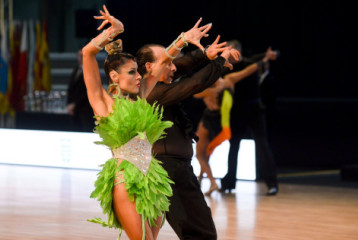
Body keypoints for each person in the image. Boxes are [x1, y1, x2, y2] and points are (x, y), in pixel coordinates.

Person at [83, 6, 212, 240]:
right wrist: (115, 30)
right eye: (132, 72)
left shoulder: (141, 97)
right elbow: (87, 54)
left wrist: (183, 39)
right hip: (125, 180)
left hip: (153, 180)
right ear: (114, 76)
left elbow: (163, 61)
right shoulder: (102, 102)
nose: (139, 76)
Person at [136, 34, 240, 239]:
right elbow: (193, 84)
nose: (173, 67)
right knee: (200, 234)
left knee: (195, 232)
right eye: (167, 63)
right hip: (169, 171)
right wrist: (218, 62)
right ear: (149, 67)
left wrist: (203, 53)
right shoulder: (152, 93)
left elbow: (179, 66)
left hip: (175, 168)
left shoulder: (151, 85)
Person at [193, 59, 269, 196]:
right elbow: (195, 94)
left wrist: (262, 60)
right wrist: (211, 92)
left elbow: (246, 72)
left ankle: (210, 182)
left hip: (217, 120)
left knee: (202, 154)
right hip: (211, 118)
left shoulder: (223, 81)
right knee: (203, 154)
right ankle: (201, 180)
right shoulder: (217, 83)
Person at [220, 40, 279, 196]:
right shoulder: (226, 68)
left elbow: (268, 57)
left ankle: (272, 184)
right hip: (237, 110)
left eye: (234, 52)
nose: (231, 55)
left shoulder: (249, 61)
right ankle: (228, 183)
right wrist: (263, 59)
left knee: (262, 145)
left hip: (255, 109)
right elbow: (231, 78)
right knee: (233, 146)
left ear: (239, 51)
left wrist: (269, 56)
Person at [66, 49, 95, 132]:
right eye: (79, 56)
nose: (80, 58)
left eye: (82, 56)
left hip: (84, 110)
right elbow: (71, 89)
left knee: (84, 130)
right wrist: (69, 104)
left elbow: (87, 92)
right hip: (74, 110)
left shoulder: (91, 71)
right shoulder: (76, 70)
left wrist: (75, 104)